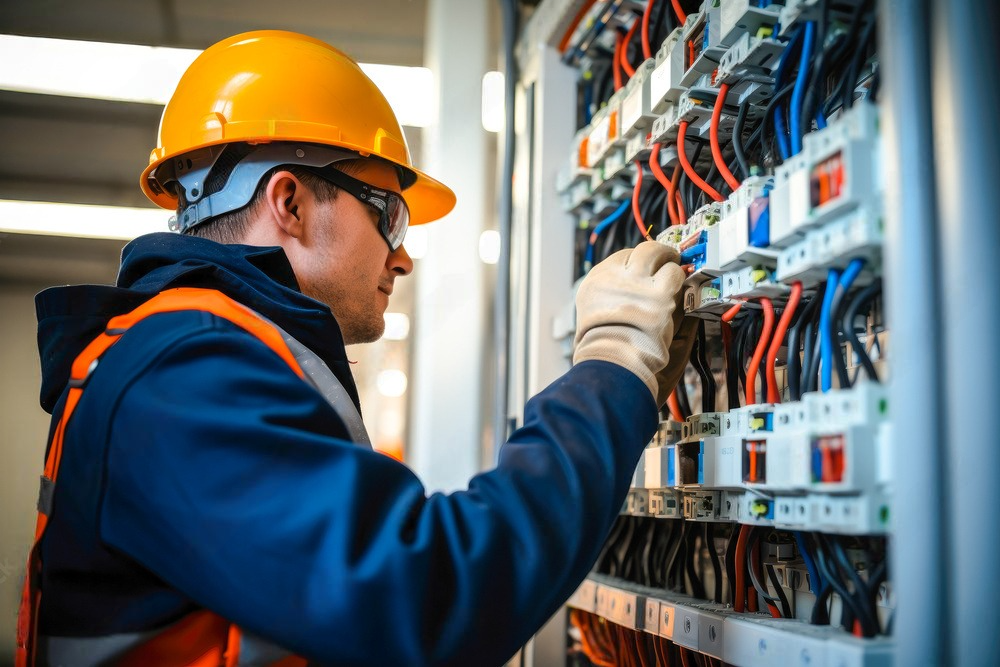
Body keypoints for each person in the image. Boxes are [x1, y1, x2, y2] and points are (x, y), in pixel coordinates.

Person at [17, 30, 695, 667]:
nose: (402, 257)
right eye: (389, 215)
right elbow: (430, 597)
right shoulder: (183, 376)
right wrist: (611, 365)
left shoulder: (185, 357)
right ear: (289, 201)